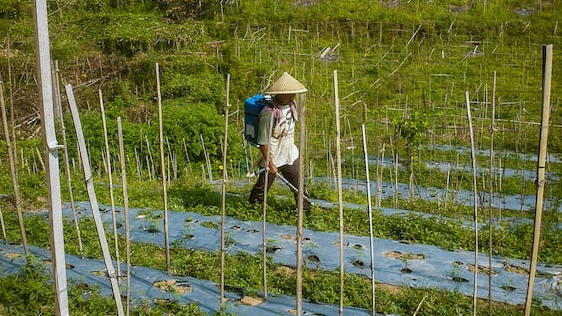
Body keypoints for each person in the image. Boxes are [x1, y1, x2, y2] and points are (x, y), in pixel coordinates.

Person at [248, 72, 311, 211]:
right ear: (279, 94)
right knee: (262, 188)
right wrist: (271, 164)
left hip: (289, 153)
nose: (292, 96)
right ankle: (253, 210)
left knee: (299, 186)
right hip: (273, 156)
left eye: (293, 93)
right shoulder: (268, 113)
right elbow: (263, 142)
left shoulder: (291, 105)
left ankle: (306, 213)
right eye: (288, 94)